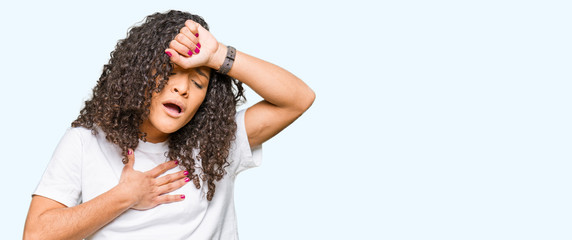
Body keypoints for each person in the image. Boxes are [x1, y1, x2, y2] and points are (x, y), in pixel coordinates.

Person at [23, 10, 314, 240]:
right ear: (140, 74)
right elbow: (36, 234)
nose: (183, 89)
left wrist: (217, 56)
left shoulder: (219, 141)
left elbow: (298, 99)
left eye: (198, 81)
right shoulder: (86, 141)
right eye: (171, 72)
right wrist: (124, 196)